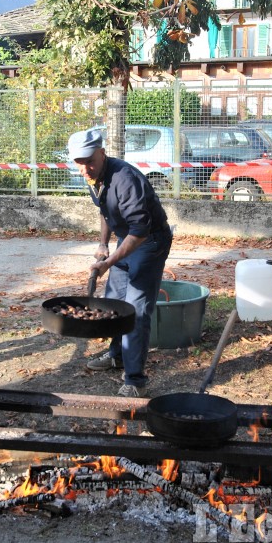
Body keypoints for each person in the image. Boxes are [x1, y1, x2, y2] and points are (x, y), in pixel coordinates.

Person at [69, 128, 173, 398]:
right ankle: (117, 356)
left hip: (149, 242)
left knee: (136, 311)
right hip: (127, 240)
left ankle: (135, 379)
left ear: (102, 153)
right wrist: (104, 245)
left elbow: (140, 230)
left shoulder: (125, 179)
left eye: (90, 161)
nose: (85, 169)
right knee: (114, 303)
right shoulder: (94, 176)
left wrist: (108, 263)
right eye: (79, 164)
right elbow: (105, 211)